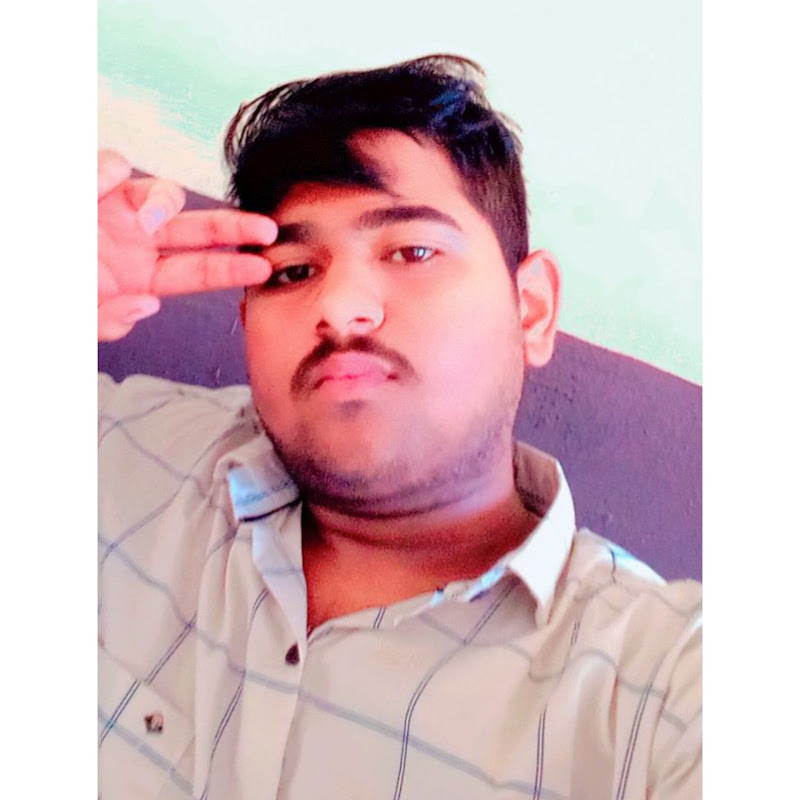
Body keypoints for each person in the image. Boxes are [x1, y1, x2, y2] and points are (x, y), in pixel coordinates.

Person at [98, 55, 701, 799]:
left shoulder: (662, 684)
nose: (339, 307)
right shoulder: (113, 445)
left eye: (413, 251)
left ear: (532, 310)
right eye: (293, 270)